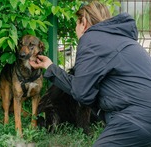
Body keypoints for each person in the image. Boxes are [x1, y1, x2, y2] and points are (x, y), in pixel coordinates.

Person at [29, 1, 151, 147]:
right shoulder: (121, 40)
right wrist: (50, 67)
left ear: (84, 22)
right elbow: (83, 87)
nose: (76, 29)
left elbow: (82, 93)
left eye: (76, 24)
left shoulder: (91, 39)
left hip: (135, 119)